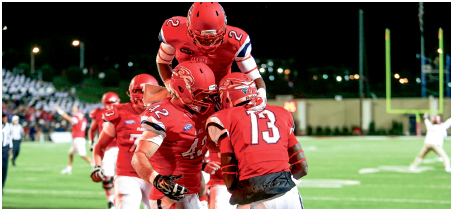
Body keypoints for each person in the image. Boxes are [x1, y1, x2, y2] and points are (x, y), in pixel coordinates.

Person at [205, 72, 308, 209]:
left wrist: (240, 190)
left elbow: (229, 171)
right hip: (289, 193)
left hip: (256, 195)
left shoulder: (224, 117)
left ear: (228, 96)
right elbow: (302, 167)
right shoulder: (282, 113)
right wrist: (283, 183)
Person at [131, 61, 219, 209]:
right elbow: (139, 155)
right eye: (201, 94)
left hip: (194, 190)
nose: (207, 99)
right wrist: (157, 179)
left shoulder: (205, 111)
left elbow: (208, 144)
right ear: (181, 88)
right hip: (170, 195)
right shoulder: (164, 114)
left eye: (208, 94)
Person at [156, 2, 267, 111]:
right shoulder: (175, 31)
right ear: (188, 27)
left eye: (213, 37)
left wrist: (262, 94)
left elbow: (252, 73)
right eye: (201, 38)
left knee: (237, 82)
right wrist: (170, 84)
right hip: (188, 89)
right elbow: (163, 62)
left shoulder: (236, 40)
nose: (208, 42)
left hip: (220, 92)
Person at [90, 74, 165, 209]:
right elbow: (100, 145)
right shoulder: (119, 112)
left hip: (156, 175)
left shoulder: (165, 113)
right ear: (130, 92)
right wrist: (97, 165)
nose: (141, 95)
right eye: (137, 91)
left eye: (145, 91)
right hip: (127, 175)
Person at [88, 92, 121, 209]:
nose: (111, 105)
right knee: (107, 176)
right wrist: (91, 142)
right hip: (106, 149)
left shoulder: (124, 111)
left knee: (122, 176)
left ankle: (118, 200)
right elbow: (92, 129)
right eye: (109, 102)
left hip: (121, 148)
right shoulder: (98, 113)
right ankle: (110, 201)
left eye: (113, 102)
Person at [55, 105, 92, 175]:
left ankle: (95, 166)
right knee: (71, 153)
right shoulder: (83, 119)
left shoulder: (76, 119)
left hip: (78, 139)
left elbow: (67, 118)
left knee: (83, 155)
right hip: (79, 138)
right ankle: (69, 168)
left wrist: (60, 111)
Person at [2, 112, 13, 193]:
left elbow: (10, 137)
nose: (5, 119)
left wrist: (10, 149)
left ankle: (1, 187)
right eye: (3, 117)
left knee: (4, 169)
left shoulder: (8, 126)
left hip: (5, 148)